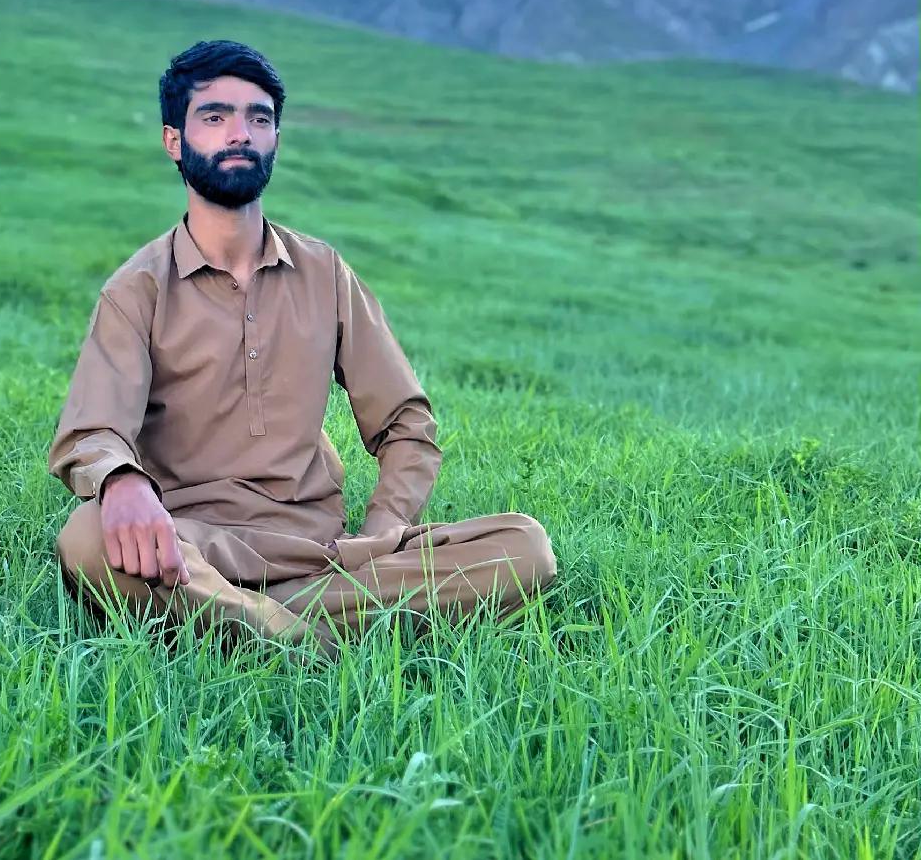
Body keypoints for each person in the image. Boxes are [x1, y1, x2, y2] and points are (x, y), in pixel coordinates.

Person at [49, 39, 557, 654]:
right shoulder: (138, 289)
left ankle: (257, 630)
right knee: (87, 537)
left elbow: (405, 422)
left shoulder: (324, 273)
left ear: (276, 139)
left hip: (323, 556)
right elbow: (92, 433)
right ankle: (307, 637)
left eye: (259, 118)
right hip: (194, 550)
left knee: (524, 547)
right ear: (174, 141)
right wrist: (122, 483)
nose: (240, 133)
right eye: (215, 116)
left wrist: (384, 532)